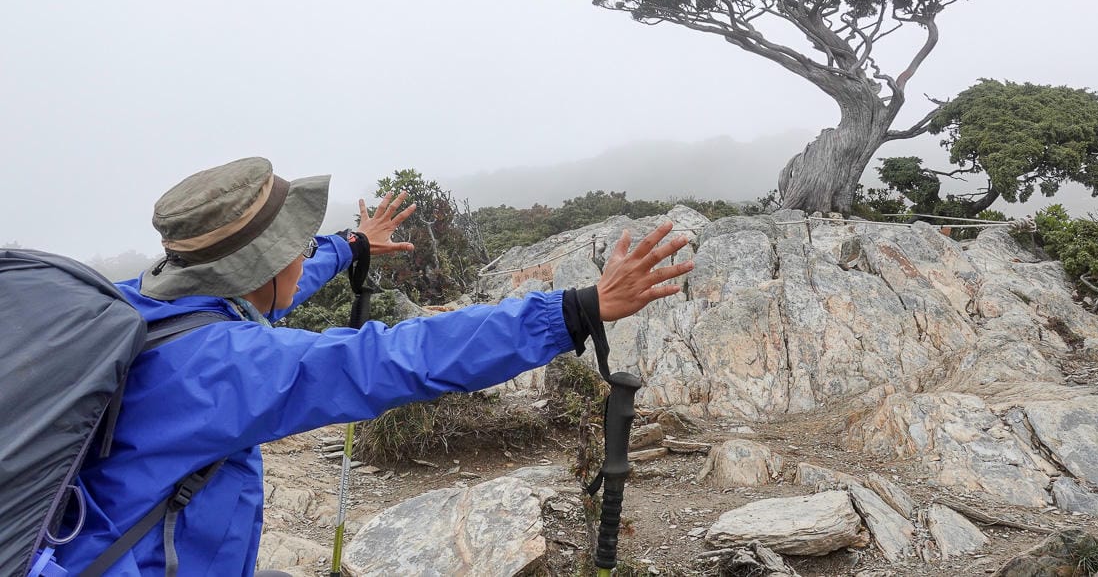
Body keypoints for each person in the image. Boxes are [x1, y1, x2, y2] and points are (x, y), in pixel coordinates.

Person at [56, 156, 691, 576]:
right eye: (297, 249)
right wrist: (575, 309)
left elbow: (256, 297)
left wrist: (352, 246)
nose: (304, 259)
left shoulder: (136, 306)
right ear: (264, 267)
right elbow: (393, 358)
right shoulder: (223, 369)